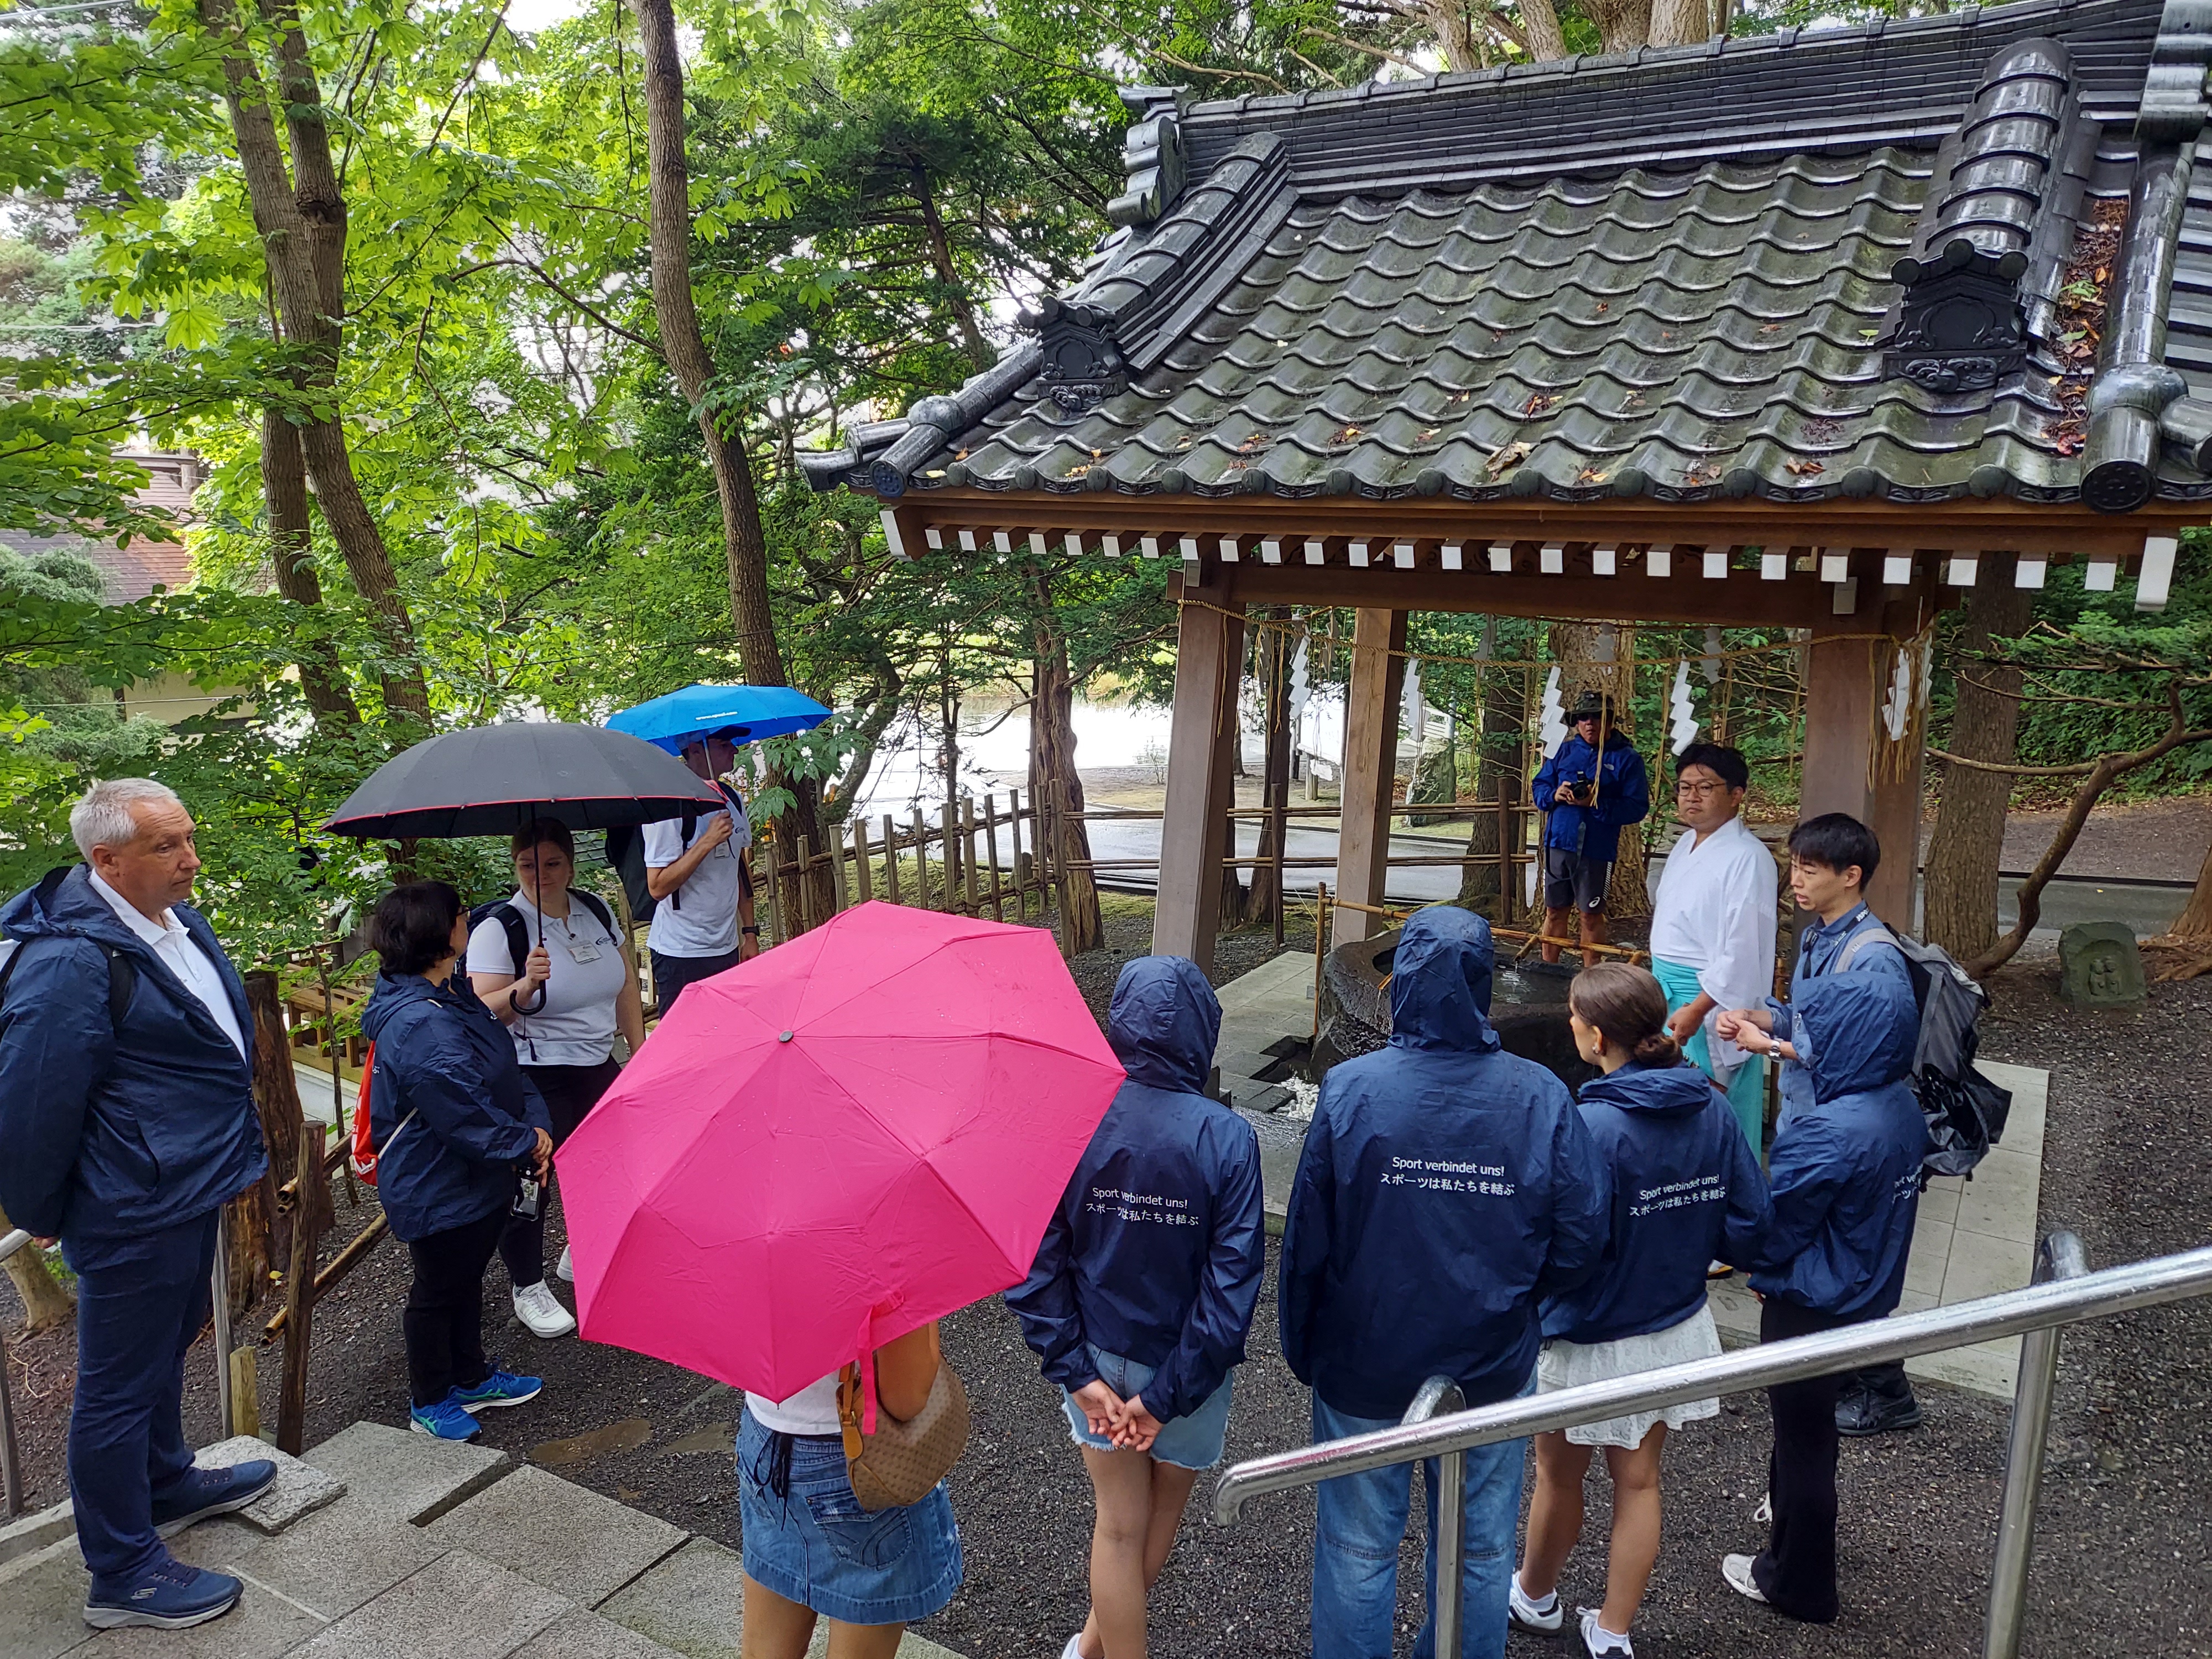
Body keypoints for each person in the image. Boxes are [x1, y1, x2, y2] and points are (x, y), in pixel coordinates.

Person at [1280, 906, 1610, 1659]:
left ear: (1406, 985)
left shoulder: (1354, 1090)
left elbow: (1307, 1241)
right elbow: (1584, 1231)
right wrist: (1529, 1308)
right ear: (1482, 983)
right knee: (1481, 1550)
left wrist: (1307, 1346)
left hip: (1365, 1361)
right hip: (1489, 1361)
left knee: (1359, 1550)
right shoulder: (1539, 1096)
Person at [0, 780, 276, 1630]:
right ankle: (121, 1570)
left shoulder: (174, 917)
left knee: (163, 1347)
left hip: (189, 1180)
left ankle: (164, 1480)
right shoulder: (67, 961)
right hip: (129, 1203)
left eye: (189, 839)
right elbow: (32, 1100)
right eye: (167, 847)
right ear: (105, 859)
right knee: (116, 1386)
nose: (190, 860)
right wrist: (40, 1208)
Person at [1008, 956, 1266, 1659]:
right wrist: (1165, 1398)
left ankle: (1093, 1647)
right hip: (1186, 1368)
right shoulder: (1226, 1137)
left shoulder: (1070, 1117)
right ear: (1201, 1031)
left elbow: (1033, 1260)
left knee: (1116, 1527)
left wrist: (1077, 1374)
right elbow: (1231, 1285)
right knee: (1153, 1527)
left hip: (1096, 1354)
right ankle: (1093, 1647)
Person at [1511, 963, 1771, 1659]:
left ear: (1596, 1036)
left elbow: (1564, 1244)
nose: (1570, 1026)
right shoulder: (1711, 1105)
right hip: (1675, 1325)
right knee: (1639, 1480)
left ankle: (1534, 1597)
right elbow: (1749, 1224)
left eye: (1573, 1017)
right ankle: (1614, 1632)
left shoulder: (1591, 1124)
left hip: (1587, 1333)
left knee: (1558, 1475)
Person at [1717, 972, 1926, 1624]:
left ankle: (1796, 1583)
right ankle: (1786, 1521)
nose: (1802, 1041)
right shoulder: (1901, 1105)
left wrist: (1740, 1250)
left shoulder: (1827, 1132)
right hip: (1866, 1288)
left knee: (1805, 1441)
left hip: (1810, 1301)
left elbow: (1774, 1234)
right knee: (1808, 1436)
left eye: (1816, 1031)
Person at [1715, 812, 1921, 1438]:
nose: (1795, 880)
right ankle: (1849, 1377)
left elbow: (1862, 1047)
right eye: (1794, 865)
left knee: (1850, 1255)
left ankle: (1883, 1389)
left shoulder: (1873, 957)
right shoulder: (1818, 934)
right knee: (1829, 1250)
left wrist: (1768, 1046)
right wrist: (1769, 1016)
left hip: (1850, 1123)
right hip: (1818, 1113)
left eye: (1809, 868)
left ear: (1850, 876)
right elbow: (1815, 1021)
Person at [361, 880, 552, 1442]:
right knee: (438, 1290)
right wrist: (525, 1143)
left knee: (467, 1278)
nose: (469, 922)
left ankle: (469, 1376)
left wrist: (532, 1122)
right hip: (435, 1183)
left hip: (471, 1177)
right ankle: (430, 1398)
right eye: (461, 917)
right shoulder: (421, 1022)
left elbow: (500, 1065)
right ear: (441, 934)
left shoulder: (450, 993)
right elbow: (462, 1110)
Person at [468, 819, 646, 1339]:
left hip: (596, 1060)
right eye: (527, 865)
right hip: (534, 1070)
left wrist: (638, 1051)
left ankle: (585, 1251)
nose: (539, 876)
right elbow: (481, 1011)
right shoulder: (502, 929)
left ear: (570, 865)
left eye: (551, 864)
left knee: (612, 1165)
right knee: (534, 1179)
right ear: (514, 865)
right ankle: (528, 1284)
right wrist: (524, 986)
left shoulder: (594, 910)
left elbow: (624, 983)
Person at [737, 1322, 963, 1659]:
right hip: (858, 1461)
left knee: (766, 1650)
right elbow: (906, 1396)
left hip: (766, 1438)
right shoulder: (879, 1265)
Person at [1646, 742, 1777, 1164]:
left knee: (1710, 1105)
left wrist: (1699, 1009)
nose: (1692, 797)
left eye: (1706, 787)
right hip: (1670, 992)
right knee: (1674, 1109)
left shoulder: (1749, 858)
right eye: (1685, 787)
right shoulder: (1686, 844)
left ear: (1736, 794)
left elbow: (1741, 952)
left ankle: (1722, 1202)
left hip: (1707, 1001)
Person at [1531, 691, 1651, 964]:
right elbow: (1540, 785)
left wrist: (1596, 803)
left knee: (1590, 915)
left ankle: (1592, 982)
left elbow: (1637, 807)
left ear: (1610, 722)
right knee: (1554, 911)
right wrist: (1554, 795)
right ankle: (1547, 972)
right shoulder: (1565, 751)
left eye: (1597, 717)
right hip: (1559, 843)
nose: (1590, 724)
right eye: (1583, 718)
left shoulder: (1627, 759)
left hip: (1597, 849)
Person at [643, 732, 759, 1012]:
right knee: (684, 1043)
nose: (734, 748)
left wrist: (750, 933)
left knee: (726, 1033)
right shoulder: (669, 805)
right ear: (695, 750)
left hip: (726, 945)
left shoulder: (731, 797)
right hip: (681, 952)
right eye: (724, 744)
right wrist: (707, 841)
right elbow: (657, 886)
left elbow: (738, 867)